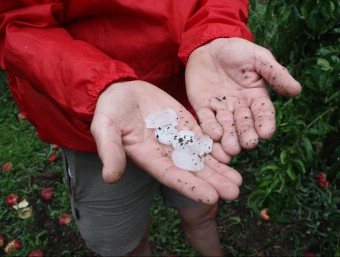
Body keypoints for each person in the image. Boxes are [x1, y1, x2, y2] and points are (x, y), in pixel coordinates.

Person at [0, 1, 301, 256]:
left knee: (202, 213)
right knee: (126, 243)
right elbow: (16, 22)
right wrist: (96, 86)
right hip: (89, 125)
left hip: (193, 106)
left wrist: (216, 31)